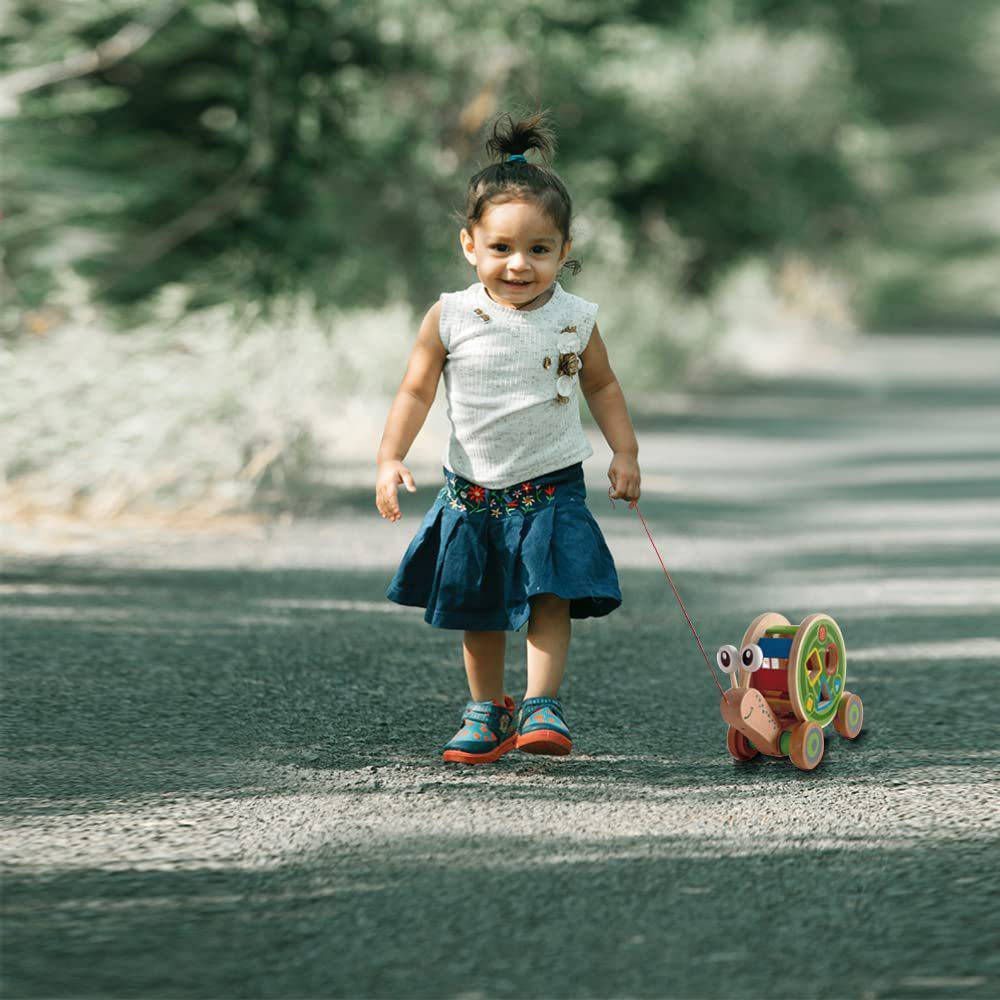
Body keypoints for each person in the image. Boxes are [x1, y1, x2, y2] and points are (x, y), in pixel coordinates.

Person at [375, 108, 641, 765]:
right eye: (501, 249)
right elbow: (415, 390)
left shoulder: (575, 319)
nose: (518, 265)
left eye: (539, 250)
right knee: (480, 604)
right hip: (473, 487)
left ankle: (541, 704)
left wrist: (624, 451)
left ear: (564, 250)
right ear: (470, 245)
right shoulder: (451, 315)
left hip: (551, 483)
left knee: (549, 591)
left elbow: (602, 387)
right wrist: (390, 457)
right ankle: (486, 708)